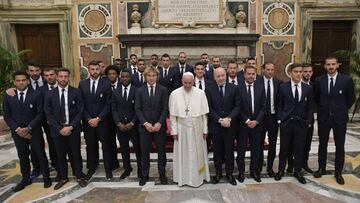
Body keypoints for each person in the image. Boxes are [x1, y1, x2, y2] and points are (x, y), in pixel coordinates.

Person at [3, 71, 51, 192]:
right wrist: (18, 129)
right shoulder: (9, 96)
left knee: (40, 154)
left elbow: (40, 113)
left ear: (27, 81)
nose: (21, 82)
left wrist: (29, 128)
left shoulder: (36, 94)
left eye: (23, 80)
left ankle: (46, 177)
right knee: (23, 156)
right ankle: (25, 179)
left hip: (34, 131)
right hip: (18, 133)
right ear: (14, 82)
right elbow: (7, 115)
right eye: (18, 80)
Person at [313, 57, 355, 185]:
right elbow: (316, 98)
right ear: (325, 66)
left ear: (337, 65)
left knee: (340, 146)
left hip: (339, 118)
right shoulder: (319, 80)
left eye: (333, 64)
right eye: (328, 64)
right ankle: (321, 168)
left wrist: (340, 109)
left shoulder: (346, 80)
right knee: (322, 144)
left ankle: (338, 172)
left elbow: (351, 98)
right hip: (324, 118)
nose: (331, 66)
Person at [44, 68, 87, 190]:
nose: (63, 79)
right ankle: (63, 177)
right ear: (57, 77)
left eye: (65, 77)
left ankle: (79, 176)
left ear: (69, 78)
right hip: (57, 131)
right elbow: (48, 113)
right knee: (60, 155)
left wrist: (71, 126)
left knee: (76, 154)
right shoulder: (49, 94)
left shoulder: (76, 92)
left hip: (73, 129)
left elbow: (80, 111)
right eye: (61, 76)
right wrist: (59, 128)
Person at [274, 63, 314, 184]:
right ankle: (281, 170)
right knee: (284, 149)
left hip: (301, 124)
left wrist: (308, 121)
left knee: (299, 148)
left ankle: (297, 171)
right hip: (286, 123)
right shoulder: (283, 87)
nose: (299, 74)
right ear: (290, 73)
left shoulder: (308, 88)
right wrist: (280, 119)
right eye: (296, 72)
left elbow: (310, 107)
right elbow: (279, 105)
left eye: (300, 72)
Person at [170, 72, 210, 187]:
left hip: (197, 128)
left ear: (193, 81)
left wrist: (205, 129)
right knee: (183, 154)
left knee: (197, 155)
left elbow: (204, 115)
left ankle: (199, 177)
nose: (187, 85)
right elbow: (173, 115)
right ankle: (182, 178)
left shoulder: (200, 93)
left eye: (190, 83)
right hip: (181, 129)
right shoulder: (175, 94)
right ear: (182, 81)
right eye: (185, 83)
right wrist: (174, 131)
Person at [79, 60, 113, 180]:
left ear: (100, 69)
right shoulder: (82, 84)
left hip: (102, 122)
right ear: (88, 70)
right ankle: (91, 168)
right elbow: (81, 104)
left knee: (106, 146)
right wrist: (89, 118)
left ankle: (108, 170)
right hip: (88, 122)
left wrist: (98, 118)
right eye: (92, 69)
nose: (95, 71)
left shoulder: (106, 83)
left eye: (97, 69)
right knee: (91, 146)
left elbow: (108, 104)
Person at [135, 66, 169, 186]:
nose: (151, 78)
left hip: (159, 127)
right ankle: (145, 175)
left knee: (161, 152)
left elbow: (165, 108)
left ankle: (162, 174)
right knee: (144, 152)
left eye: (153, 75)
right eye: (149, 75)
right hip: (145, 128)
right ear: (145, 77)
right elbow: (137, 109)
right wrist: (145, 123)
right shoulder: (139, 91)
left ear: (157, 77)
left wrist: (159, 122)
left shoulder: (163, 90)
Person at [206, 67, 240, 185]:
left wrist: (229, 118)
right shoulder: (209, 90)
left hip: (230, 126)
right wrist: (220, 120)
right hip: (216, 127)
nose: (221, 78)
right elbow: (209, 109)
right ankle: (218, 173)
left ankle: (229, 174)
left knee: (229, 151)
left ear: (226, 75)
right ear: (214, 77)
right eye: (218, 76)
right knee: (217, 152)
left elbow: (237, 106)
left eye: (222, 75)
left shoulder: (234, 88)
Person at [236, 65, 266, 183]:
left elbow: (264, 107)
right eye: (248, 74)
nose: (251, 76)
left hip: (257, 125)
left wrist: (256, 121)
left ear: (255, 75)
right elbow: (237, 107)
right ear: (244, 74)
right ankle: (241, 172)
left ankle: (254, 171)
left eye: (253, 74)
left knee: (256, 150)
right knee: (241, 150)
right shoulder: (238, 88)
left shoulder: (260, 87)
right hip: (243, 125)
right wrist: (248, 121)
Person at [112, 69, 142, 180]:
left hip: (133, 125)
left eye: (127, 76)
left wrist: (132, 122)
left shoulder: (137, 91)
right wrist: (118, 123)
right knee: (124, 149)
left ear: (130, 78)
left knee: (138, 149)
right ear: (120, 78)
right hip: (120, 126)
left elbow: (138, 109)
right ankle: (127, 168)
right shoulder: (115, 91)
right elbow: (113, 109)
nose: (125, 78)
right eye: (123, 76)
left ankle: (140, 169)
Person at [257, 62, 282, 177]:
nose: (270, 72)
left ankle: (270, 167)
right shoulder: (257, 82)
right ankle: (259, 164)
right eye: (268, 69)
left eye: (272, 69)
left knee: (272, 144)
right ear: (263, 70)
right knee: (259, 143)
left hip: (273, 117)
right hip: (260, 118)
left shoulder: (279, 83)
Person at [38, 67, 59, 173]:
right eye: (46, 75)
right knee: (52, 143)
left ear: (55, 75)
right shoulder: (40, 90)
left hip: (63, 122)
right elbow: (41, 108)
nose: (49, 77)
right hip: (48, 123)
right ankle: (55, 164)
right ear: (43, 77)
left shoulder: (63, 86)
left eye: (51, 74)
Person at [105, 65, 121, 171]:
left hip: (120, 118)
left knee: (122, 142)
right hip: (107, 118)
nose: (112, 76)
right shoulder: (104, 85)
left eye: (113, 74)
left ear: (117, 75)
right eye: (109, 74)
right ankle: (113, 163)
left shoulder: (122, 84)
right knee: (109, 141)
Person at [301, 63, 315, 174]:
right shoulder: (294, 84)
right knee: (292, 144)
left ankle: (304, 163)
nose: (307, 74)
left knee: (307, 143)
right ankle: (291, 164)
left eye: (310, 71)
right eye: (305, 71)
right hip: (295, 120)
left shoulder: (315, 86)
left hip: (309, 119)